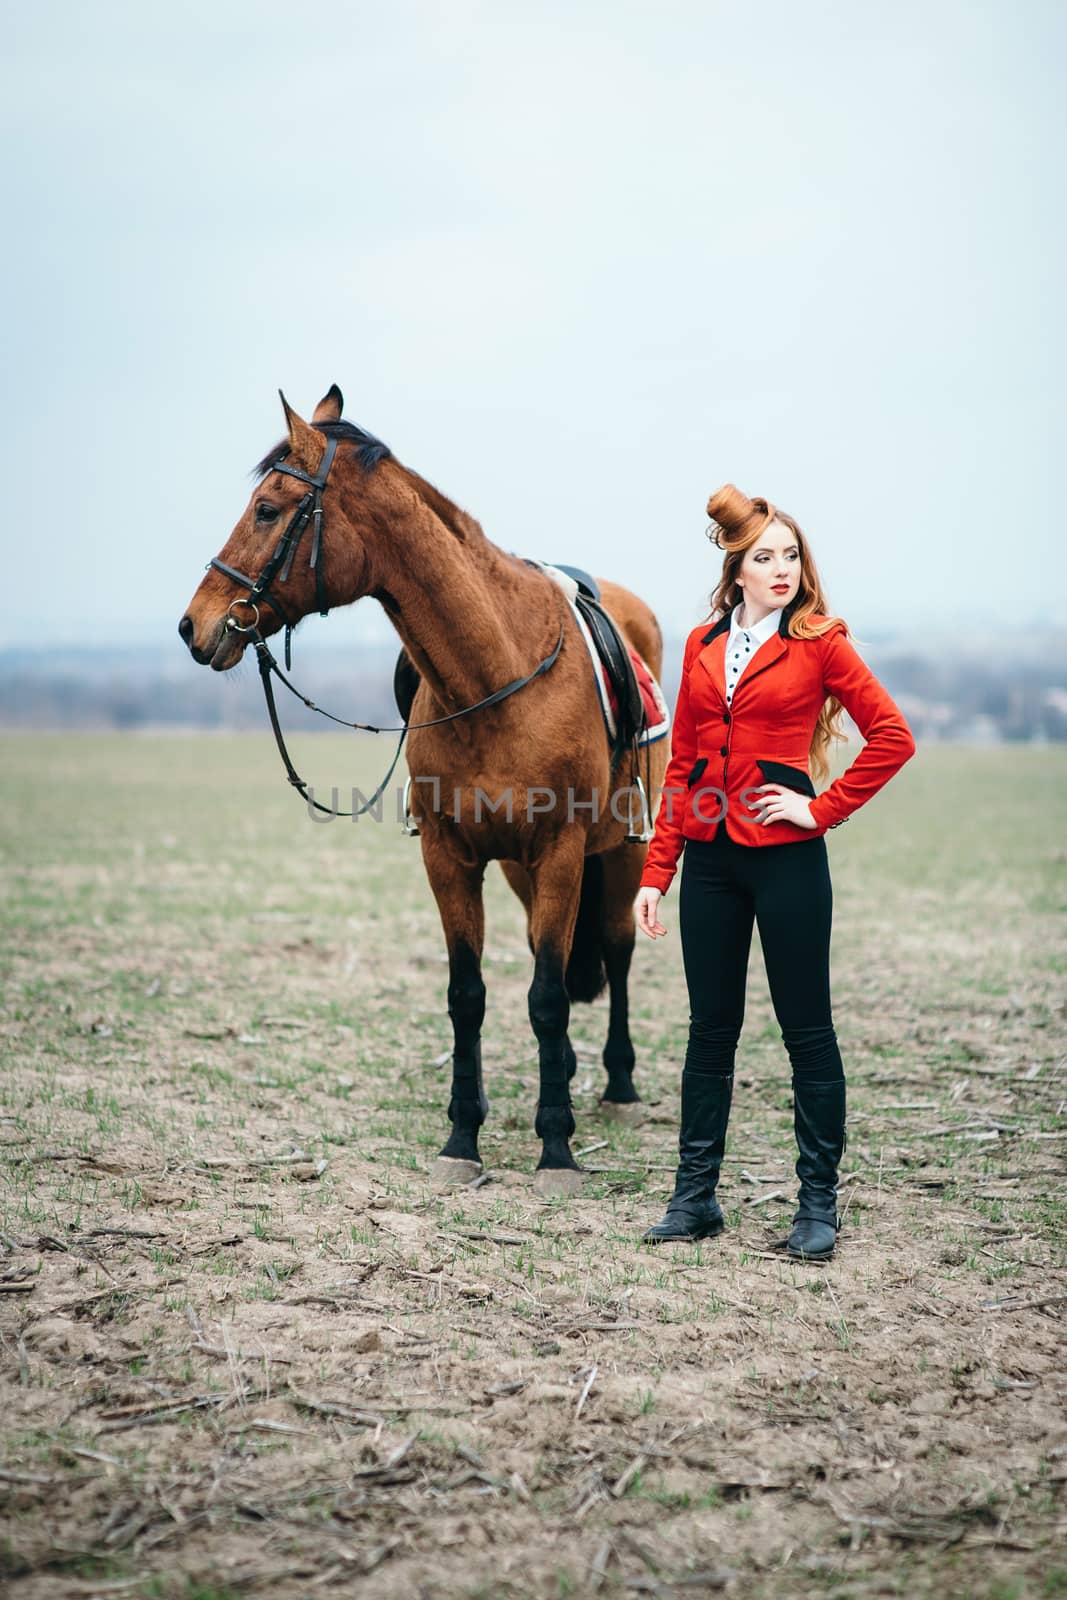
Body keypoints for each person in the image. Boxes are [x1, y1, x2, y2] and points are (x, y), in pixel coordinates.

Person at [634, 484, 916, 1260]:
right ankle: (694, 1199)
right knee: (709, 1034)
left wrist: (819, 811)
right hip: (711, 865)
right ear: (736, 570)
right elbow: (682, 765)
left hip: (789, 864)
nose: (782, 568)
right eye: (765, 557)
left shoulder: (822, 641)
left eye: (791, 555)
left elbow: (892, 737)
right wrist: (658, 872)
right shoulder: (696, 646)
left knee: (807, 1034)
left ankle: (816, 1206)